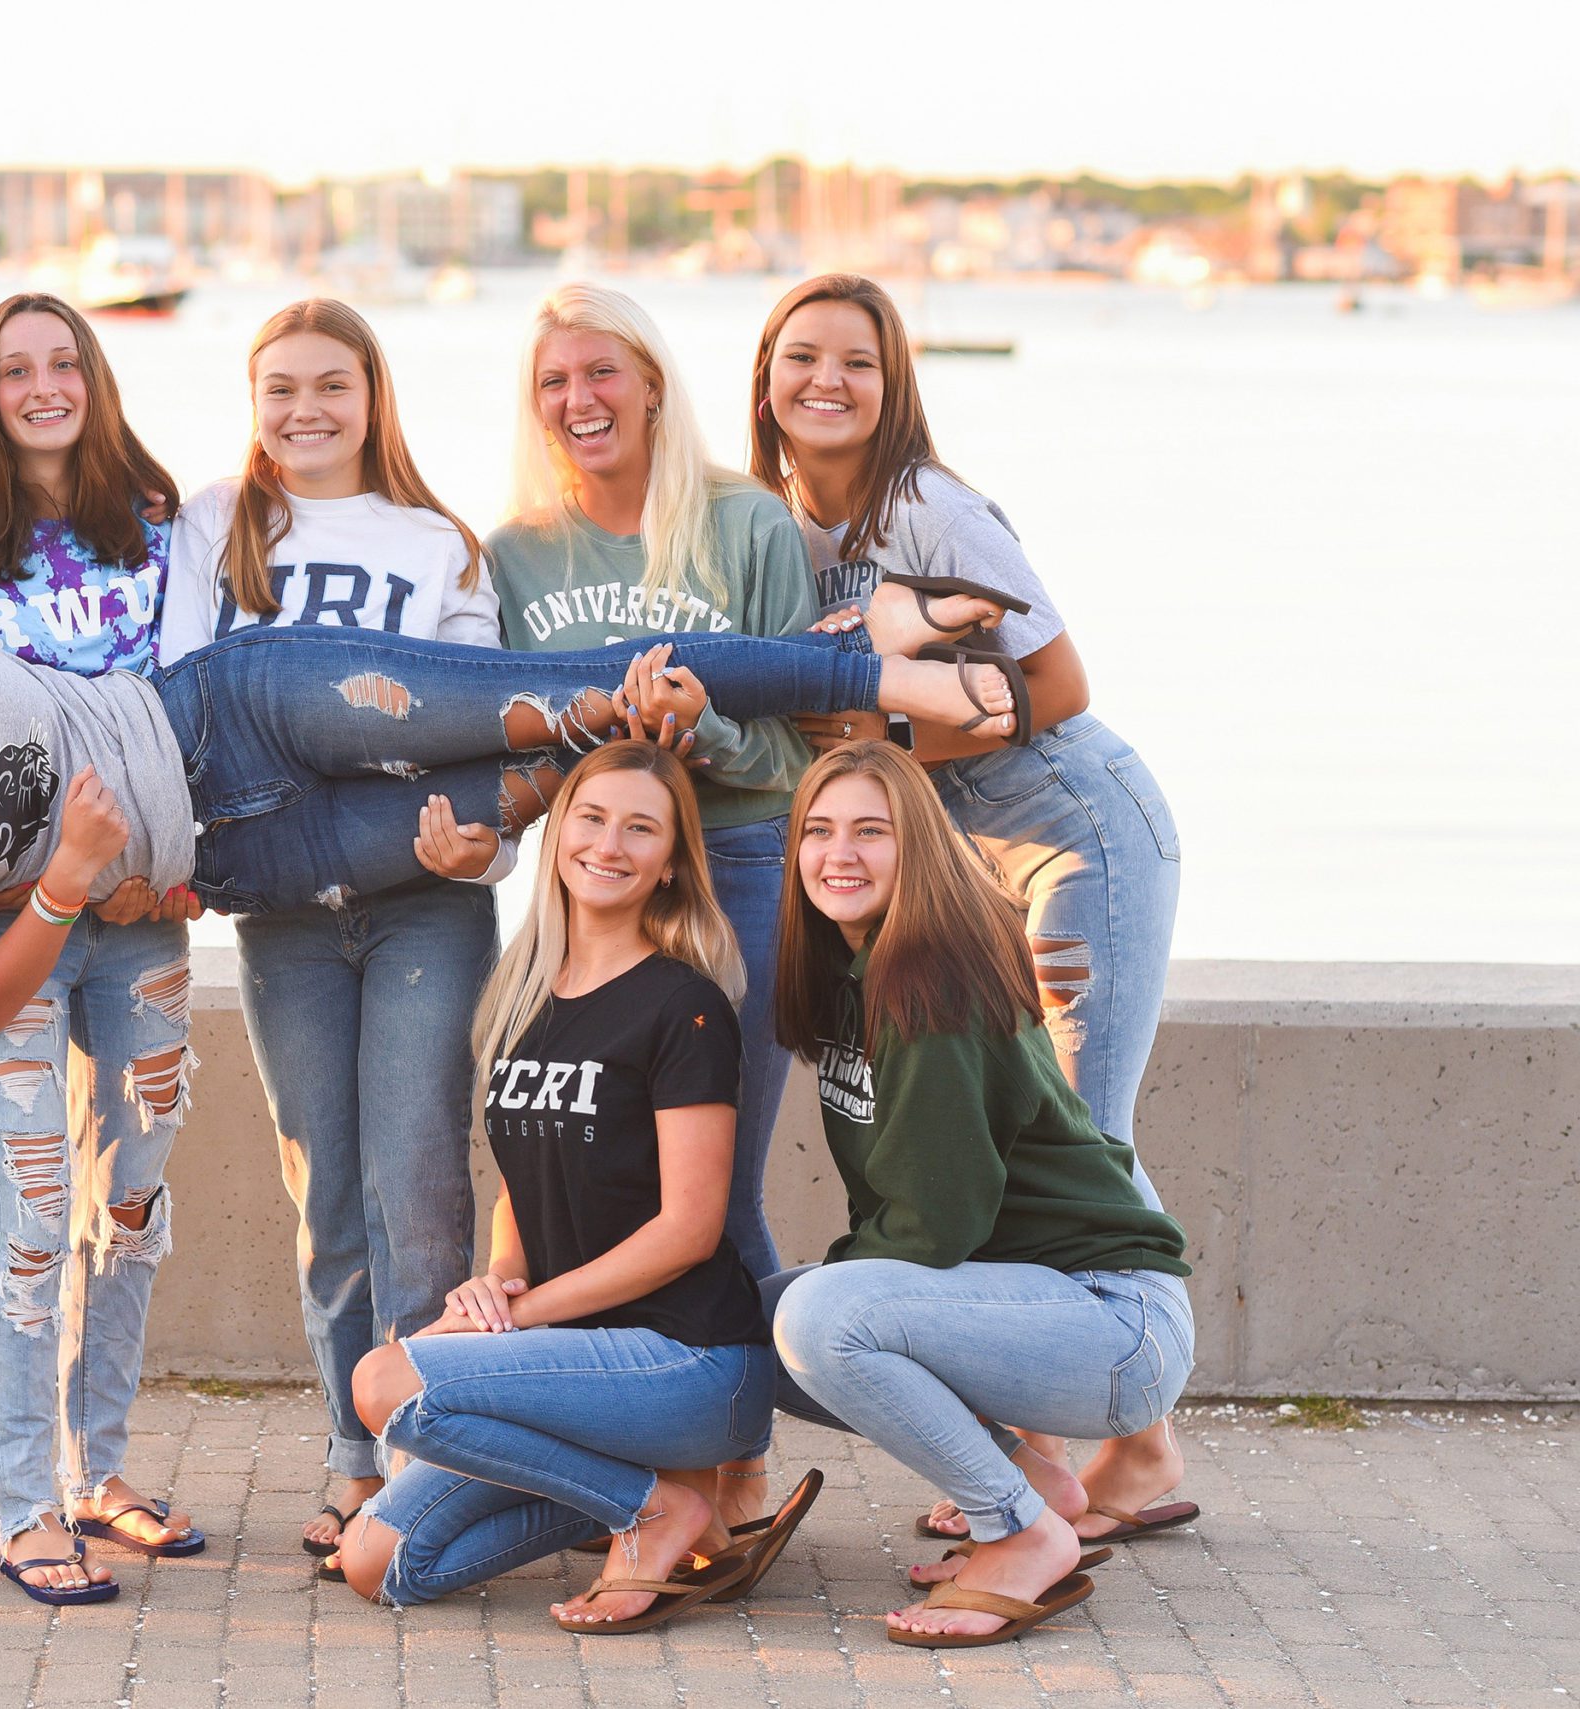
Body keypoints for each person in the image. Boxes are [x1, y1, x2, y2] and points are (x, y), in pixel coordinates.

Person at [0, 517, 1022, 1019]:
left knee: (577, 691)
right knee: (570, 757)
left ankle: (879, 676)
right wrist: (64, 886)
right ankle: (851, 634)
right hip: (242, 862)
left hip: (233, 711)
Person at [749, 273, 1195, 1548]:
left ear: (893, 383)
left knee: (1076, 1118)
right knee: (999, 1114)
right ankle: (1051, 1446)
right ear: (765, 378)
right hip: (947, 855)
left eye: (857, 361)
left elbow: (1058, 679)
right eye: (801, 357)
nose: (827, 381)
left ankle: (1119, 1442)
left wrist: (881, 754)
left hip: (1068, 830)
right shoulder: (775, 526)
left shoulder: (927, 510)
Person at [322, 743, 814, 1630]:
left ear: (671, 862)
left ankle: (655, 1507)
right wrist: (497, 1281)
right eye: (591, 818)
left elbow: (690, 1229)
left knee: (386, 1382)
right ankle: (654, 1499)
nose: (609, 844)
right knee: (380, 1562)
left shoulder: (687, 1005)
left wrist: (525, 1313)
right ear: (557, 837)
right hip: (571, 1367)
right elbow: (524, 1184)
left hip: (688, 1360)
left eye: (641, 828)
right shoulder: (524, 998)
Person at [159, 299, 501, 1559]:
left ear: (373, 397)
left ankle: (426, 1451)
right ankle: (352, 1449)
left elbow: (480, 730)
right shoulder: (215, 525)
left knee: (420, 1184)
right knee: (329, 1193)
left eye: (330, 386)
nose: (305, 410)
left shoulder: (440, 543)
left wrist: (482, 844)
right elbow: (186, 706)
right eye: (280, 388)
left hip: (425, 903)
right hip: (285, 913)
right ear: (252, 402)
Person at [0, 292, 201, 1604]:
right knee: (27, 1215)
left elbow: (190, 702)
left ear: (97, 377)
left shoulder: (161, 522)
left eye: (66, 361)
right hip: (4, 914)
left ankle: (96, 1470)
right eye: (16, 368)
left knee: (131, 1205)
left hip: (147, 916)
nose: (44, 385)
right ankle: (24, 1509)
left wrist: (150, 865)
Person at [760, 740, 1194, 1647]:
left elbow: (934, 1225)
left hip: (1112, 1323)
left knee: (817, 1319)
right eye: (819, 831)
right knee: (758, 1319)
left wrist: (837, 1288)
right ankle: (1031, 1480)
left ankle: (1021, 1530)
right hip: (1041, 1302)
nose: (839, 854)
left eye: (871, 831)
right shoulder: (853, 972)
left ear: (918, 844)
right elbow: (899, 1210)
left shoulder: (932, 983)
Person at [483, 283, 817, 1294]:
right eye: (554, 380)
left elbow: (804, 755)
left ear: (653, 386)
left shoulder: (748, 524)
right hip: (595, 882)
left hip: (740, 868)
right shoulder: (515, 555)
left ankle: (748, 1404)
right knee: (588, 1177)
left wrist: (700, 734)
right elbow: (506, 748)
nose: (578, 399)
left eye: (602, 372)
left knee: (720, 1193)